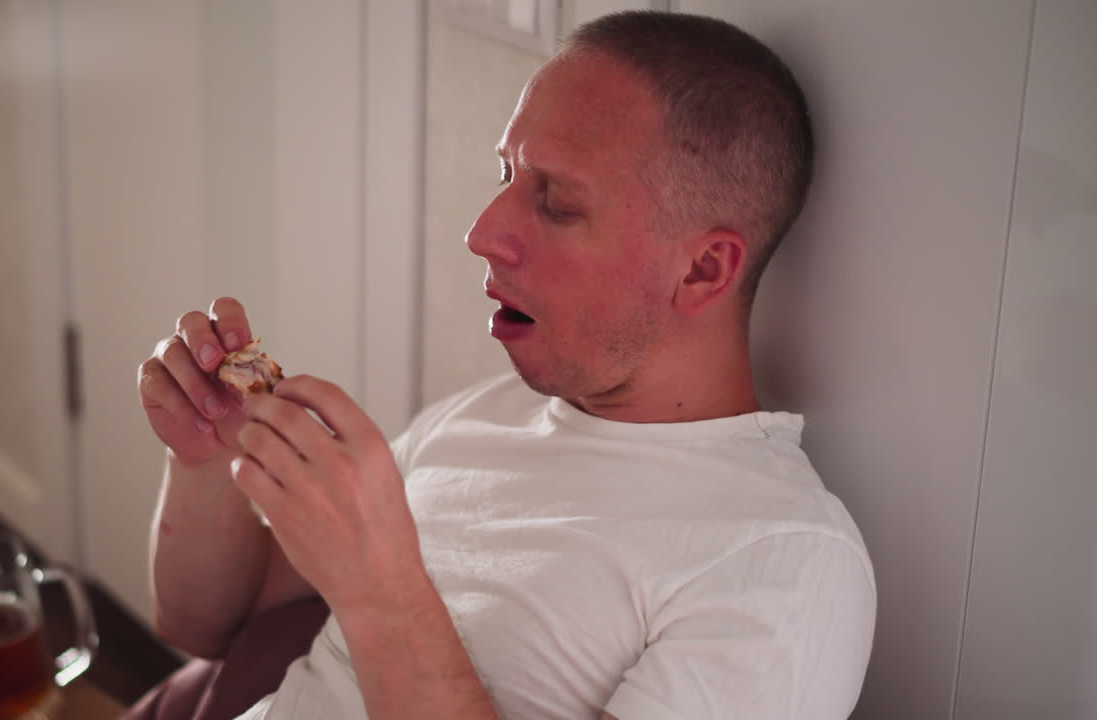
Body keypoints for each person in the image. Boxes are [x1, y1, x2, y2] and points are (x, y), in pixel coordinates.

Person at [130, 11, 875, 720]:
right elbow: (205, 626)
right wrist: (204, 461)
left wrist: (381, 594)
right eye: (506, 174)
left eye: (555, 203)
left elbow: (373, 598)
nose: (483, 234)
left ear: (704, 270)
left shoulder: (782, 564)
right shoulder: (484, 413)